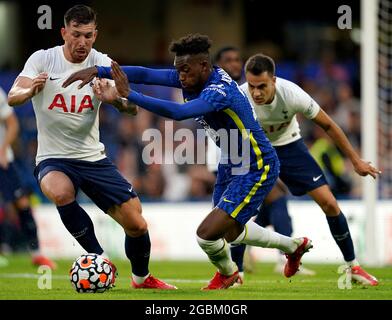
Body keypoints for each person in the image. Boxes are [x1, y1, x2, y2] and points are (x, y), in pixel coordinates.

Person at [63, 33, 313, 290]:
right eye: (178, 70)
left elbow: (179, 113)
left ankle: (229, 273)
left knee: (207, 235)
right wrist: (98, 70)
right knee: (228, 231)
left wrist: (130, 95)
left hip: (255, 163)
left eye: (185, 70)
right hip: (231, 160)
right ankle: (292, 247)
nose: (180, 76)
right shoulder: (190, 75)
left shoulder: (219, 90)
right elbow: (146, 74)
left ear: (203, 66)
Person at [7, 5, 175, 290]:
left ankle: (141, 279)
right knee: (60, 191)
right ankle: (99, 257)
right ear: (64, 32)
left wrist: (115, 99)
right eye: (75, 34)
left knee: (137, 225)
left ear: (95, 35)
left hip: (93, 158)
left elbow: (132, 108)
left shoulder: (102, 63)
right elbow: (13, 96)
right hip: (53, 157)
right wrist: (30, 91)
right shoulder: (43, 59)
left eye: (87, 35)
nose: (81, 42)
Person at [239, 53, 380, 286]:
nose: (256, 93)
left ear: (274, 80)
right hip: (257, 151)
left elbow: (328, 125)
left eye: (262, 86)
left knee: (330, 204)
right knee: (242, 209)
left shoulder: (292, 94)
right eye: (252, 86)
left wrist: (356, 161)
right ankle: (237, 274)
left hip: (290, 146)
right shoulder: (241, 97)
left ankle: (353, 267)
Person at [214, 47, 315, 279]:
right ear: (217, 67)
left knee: (268, 207)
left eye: (237, 59)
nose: (234, 64)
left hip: (248, 161)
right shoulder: (226, 97)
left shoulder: (241, 94)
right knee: (242, 214)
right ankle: (273, 256)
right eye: (228, 60)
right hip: (227, 162)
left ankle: (244, 264)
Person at [0, 86, 56, 269]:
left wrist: (3, 149)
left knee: (22, 203)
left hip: (3, 161)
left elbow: (12, 123)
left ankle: (37, 254)